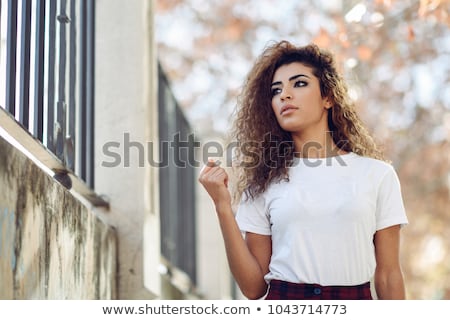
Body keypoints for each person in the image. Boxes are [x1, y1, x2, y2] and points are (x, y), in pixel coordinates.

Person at [198, 41, 408, 300]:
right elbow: (253, 288)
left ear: (328, 97)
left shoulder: (377, 175)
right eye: (276, 91)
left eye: (299, 83)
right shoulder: (263, 182)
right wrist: (222, 205)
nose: (284, 95)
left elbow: (388, 276)